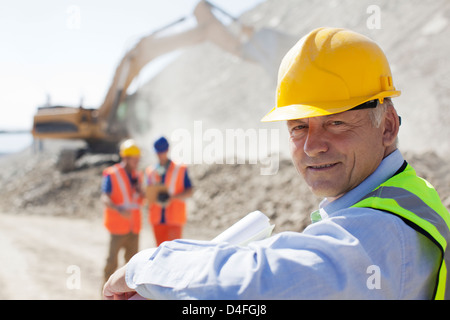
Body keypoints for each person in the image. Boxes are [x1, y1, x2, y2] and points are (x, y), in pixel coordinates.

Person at [103, 27, 450, 300]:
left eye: (336, 123)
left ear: (387, 126)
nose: (312, 146)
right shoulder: (405, 197)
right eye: (299, 127)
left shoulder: (383, 230)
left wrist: (148, 267)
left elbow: (267, 281)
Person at [101, 139, 144, 284]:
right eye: (134, 159)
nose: (137, 162)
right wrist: (119, 209)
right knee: (112, 262)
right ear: (125, 158)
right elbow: (105, 197)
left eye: (138, 159)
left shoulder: (137, 176)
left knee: (132, 266)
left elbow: (139, 200)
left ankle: (128, 296)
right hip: (118, 227)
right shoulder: (112, 174)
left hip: (134, 227)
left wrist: (143, 192)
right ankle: (106, 295)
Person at [145, 136, 193, 246]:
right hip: (157, 219)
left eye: (161, 152)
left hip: (174, 218)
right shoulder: (150, 171)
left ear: (167, 150)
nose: (160, 155)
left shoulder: (180, 168)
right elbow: (148, 192)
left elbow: (189, 191)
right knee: (160, 251)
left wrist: (172, 197)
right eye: (158, 152)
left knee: (174, 252)